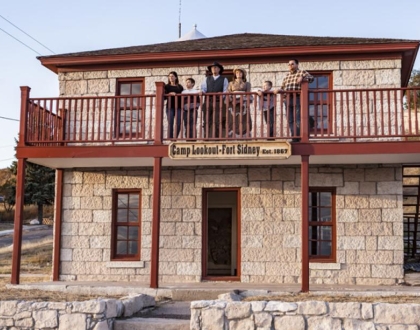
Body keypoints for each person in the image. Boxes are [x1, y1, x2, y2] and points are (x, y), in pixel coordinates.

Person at [274, 59, 313, 142]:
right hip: (287, 99)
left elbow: (311, 78)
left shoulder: (301, 72)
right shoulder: (287, 76)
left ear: (297, 65)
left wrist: (302, 77)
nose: (290, 66)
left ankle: (298, 137)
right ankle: (294, 136)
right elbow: (283, 87)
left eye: (292, 64)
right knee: (290, 119)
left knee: (298, 118)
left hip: (297, 98)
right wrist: (279, 90)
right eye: (289, 64)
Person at [200, 61, 229, 138]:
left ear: (219, 69)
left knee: (216, 120)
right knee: (206, 120)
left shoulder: (224, 79)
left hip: (217, 102)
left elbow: (225, 90)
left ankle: (216, 138)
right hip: (207, 101)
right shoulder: (207, 79)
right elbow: (203, 88)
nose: (214, 69)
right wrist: (202, 92)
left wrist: (221, 94)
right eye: (212, 68)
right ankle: (206, 137)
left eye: (216, 67)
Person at [227, 67, 253, 137]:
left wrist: (243, 99)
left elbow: (248, 93)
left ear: (243, 74)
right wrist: (231, 100)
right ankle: (233, 135)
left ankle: (244, 134)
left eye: (240, 73)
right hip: (233, 103)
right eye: (237, 73)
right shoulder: (231, 83)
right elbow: (228, 93)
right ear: (235, 74)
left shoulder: (247, 83)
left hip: (243, 102)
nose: (239, 74)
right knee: (233, 118)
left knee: (244, 118)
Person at [164, 71, 184, 139]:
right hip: (170, 107)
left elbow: (183, 96)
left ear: (176, 77)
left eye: (172, 76)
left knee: (178, 123)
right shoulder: (166, 86)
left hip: (178, 107)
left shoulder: (180, 87)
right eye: (169, 76)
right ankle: (170, 138)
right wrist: (169, 94)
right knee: (170, 122)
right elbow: (163, 97)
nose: (171, 78)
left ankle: (175, 137)